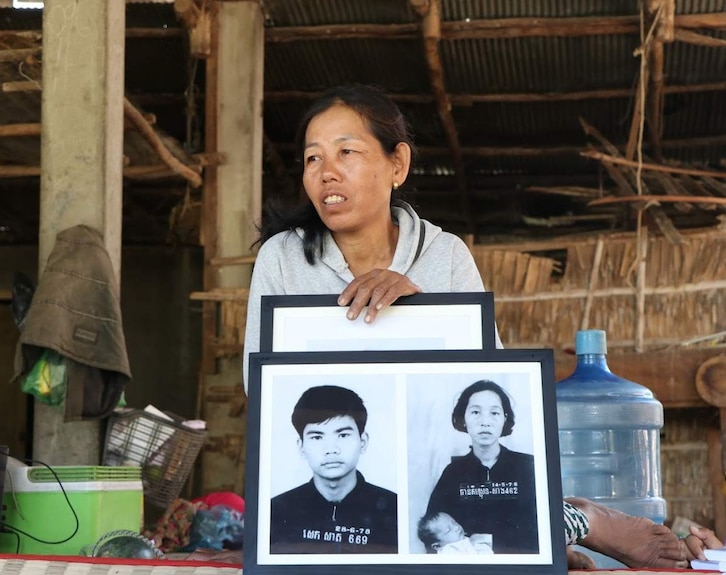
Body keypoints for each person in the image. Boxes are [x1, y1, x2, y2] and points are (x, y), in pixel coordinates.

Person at [242, 82, 697, 569]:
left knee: (468, 517)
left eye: (346, 152)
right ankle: (568, 521)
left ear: (398, 164)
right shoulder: (284, 257)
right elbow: (260, 384)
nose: (326, 172)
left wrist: (419, 305)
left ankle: (580, 520)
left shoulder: (445, 255)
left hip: (425, 455)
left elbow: (490, 375)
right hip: (345, 446)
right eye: (312, 159)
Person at [269, 385, 398, 554]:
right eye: (317, 437)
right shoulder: (275, 511)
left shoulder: (394, 508)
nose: (331, 449)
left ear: (363, 442)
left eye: (343, 435)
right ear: (301, 446)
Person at [424, 379, 538, 553]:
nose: (485, 422)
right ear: (463, 419)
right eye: (476, 412)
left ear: (504, 419)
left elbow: (544, 530)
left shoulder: (529, 466)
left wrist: (492, 540)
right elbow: (432, 536)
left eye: (494, 413)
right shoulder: (453, 472)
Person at [417, 510, 493, 555]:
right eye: (448, 530)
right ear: (437, 546)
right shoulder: (448, 551)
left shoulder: (460, 539)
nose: (456, 527)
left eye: (455, 522)